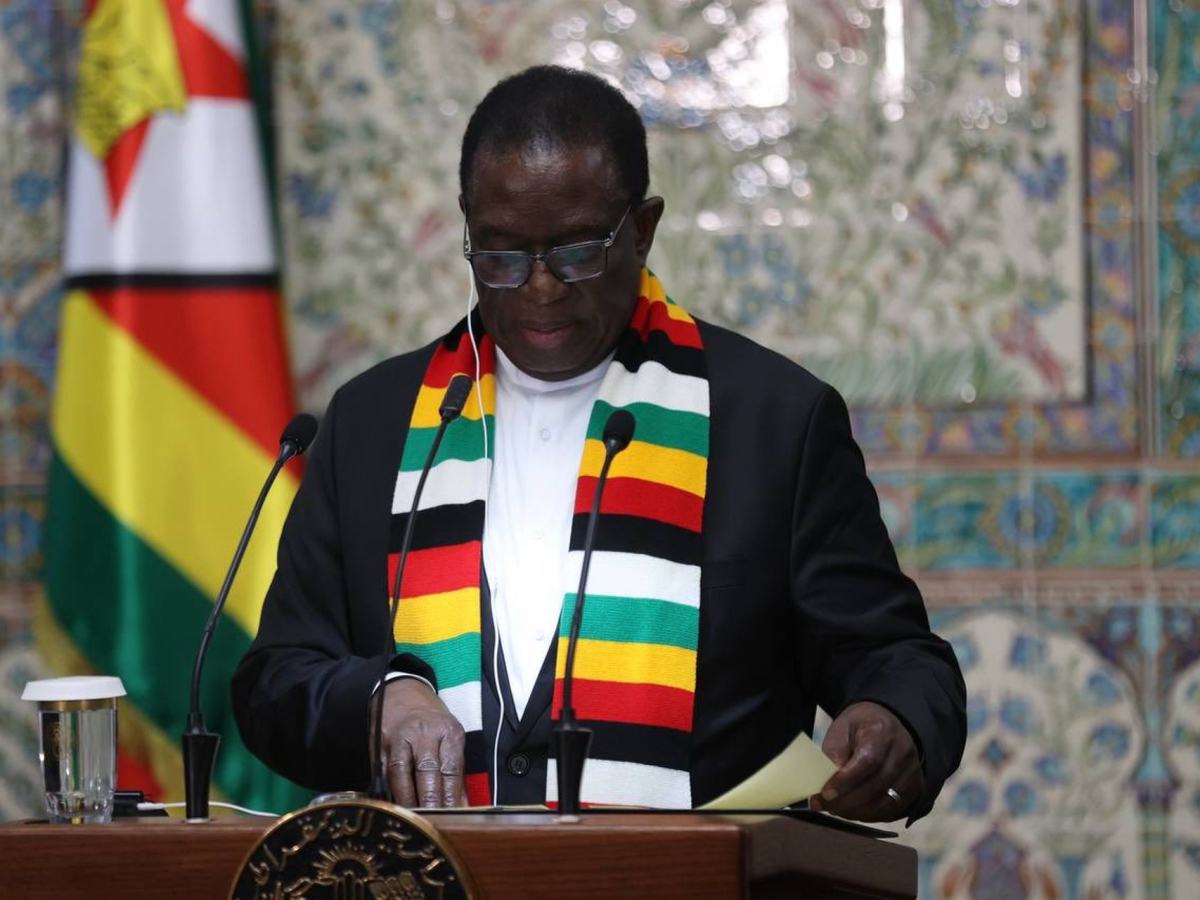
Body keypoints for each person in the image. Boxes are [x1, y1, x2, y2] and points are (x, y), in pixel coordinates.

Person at [233, 65, 966, 823]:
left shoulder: (774, 422)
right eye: (502, 254)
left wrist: (895, 720)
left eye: (576, 251)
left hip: (696, 874)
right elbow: (275, 682)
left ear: (642, 230)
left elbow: (896, 659)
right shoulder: (373, 425)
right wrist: (379, 699)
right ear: (469, 227)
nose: (541, 288)